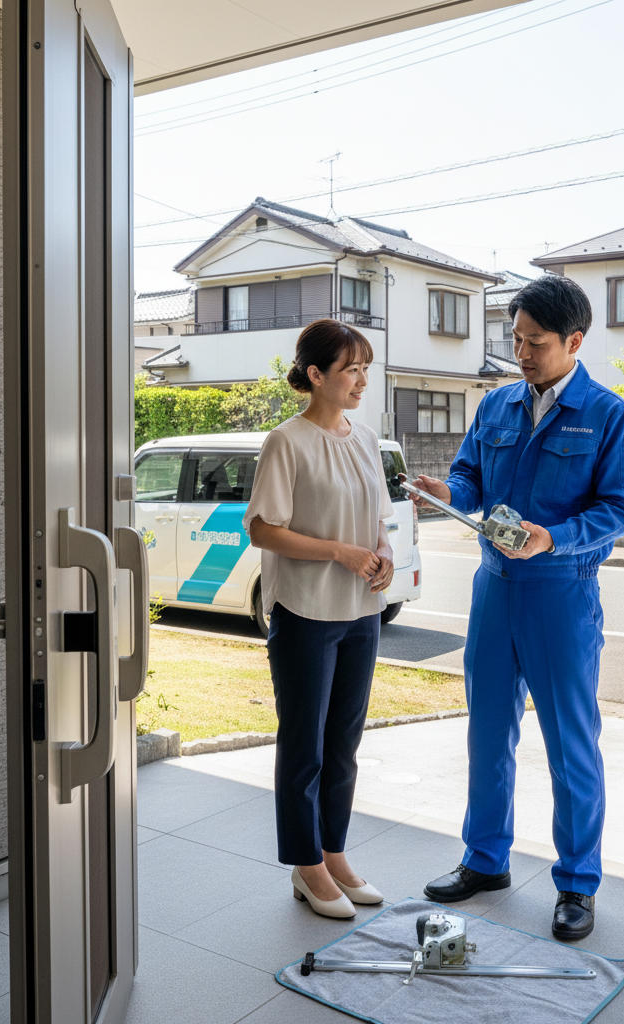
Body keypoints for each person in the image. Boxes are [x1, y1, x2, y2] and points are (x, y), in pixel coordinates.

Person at [410, 275, 624, 940]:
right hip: (492, 589)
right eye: (514, 339)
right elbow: (470, 479)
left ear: (574, 341)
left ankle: (577, 883)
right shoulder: (497, 407)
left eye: (535, 342)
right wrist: (442, 488)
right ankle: (485, 860)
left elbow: (620, 508)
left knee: (571, 744)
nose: (522, 353)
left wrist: (554, 537)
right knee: (486, 732)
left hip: (561, 595)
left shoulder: (608, 415)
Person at [243, 319, 394, 919]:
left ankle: (334, 852)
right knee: (304, 742)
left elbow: (378, 516)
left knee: (345, 742)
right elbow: (261, 528)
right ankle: (306, 866)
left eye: (365, 369)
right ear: (316, 375)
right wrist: (340, 551)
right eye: (350, 369)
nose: (361, 380)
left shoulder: (365, 437)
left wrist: (380, 554)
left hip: (362, 610)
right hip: (306, 611)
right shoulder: (286, 441)